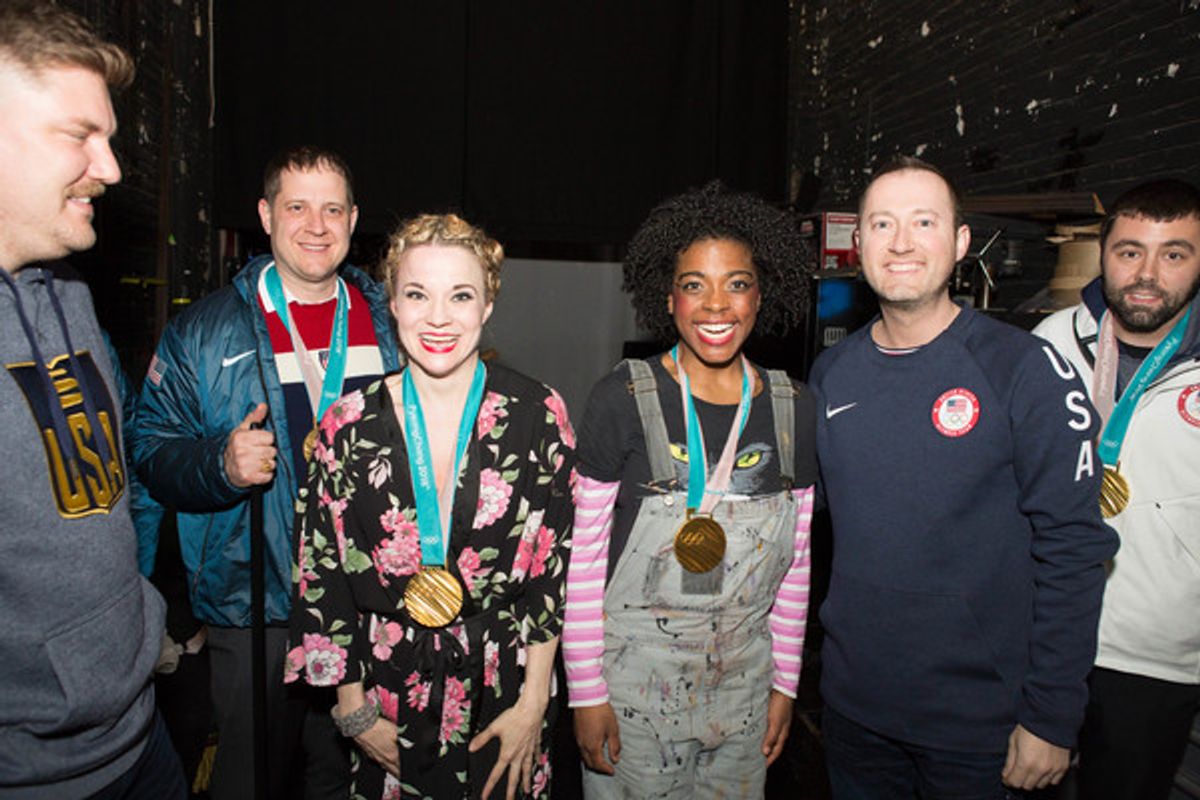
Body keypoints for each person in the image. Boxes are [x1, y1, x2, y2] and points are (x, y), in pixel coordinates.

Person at [808, 155, 1119, 798]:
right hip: (855, 713)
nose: (901, 243)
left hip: (983, 731)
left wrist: (1052, 717)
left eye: (924, 222)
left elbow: (1075, 550)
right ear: (858, 244)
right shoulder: (832, 374)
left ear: (959, 242)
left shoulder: (1025, 370)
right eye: (883, 224)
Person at [131, 145, 401, 798]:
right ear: (265, 214)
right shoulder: (203, 331)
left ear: (353, 218)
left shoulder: (397, 322)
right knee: (253, 780)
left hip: (371, 600)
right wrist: (218, 464)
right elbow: (148, 453)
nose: (316, 225)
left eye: (332, 209)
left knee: (352, 778)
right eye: (297, 207)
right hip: (256, 604)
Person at [285, 213, 576, 800]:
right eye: (417, 293)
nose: (439, 317)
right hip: (385, 695)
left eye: (461, 295)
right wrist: (355, 716)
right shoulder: (345, 427)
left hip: (505, 692)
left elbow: (551, 577)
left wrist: (533, 704)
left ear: (488, 304)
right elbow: (323, 577)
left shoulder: (539, 415)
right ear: (391, 301)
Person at [563, 181, 818, 798]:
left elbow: (797, 564)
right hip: (631, 688)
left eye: (736, 283)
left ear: (763, 294)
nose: (716, 306)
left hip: (744, 690)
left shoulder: (794, 408)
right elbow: (583, 563)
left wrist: (785, 684)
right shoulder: (620, 399)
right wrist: (585, 695)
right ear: (668, 296)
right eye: (694, 284)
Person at [0, 3, 185, 797]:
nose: (110, 169)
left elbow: (103, 492)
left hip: (137, 737)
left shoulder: (67, 292)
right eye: (81, 135)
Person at [1033, 179, 1200, 800]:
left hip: (1156, 658)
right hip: (1043, 639)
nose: (1148, 274)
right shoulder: (1049, 343)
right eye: (1130, 252)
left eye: (1175, 253)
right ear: (1104, 255)